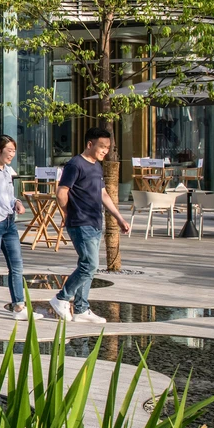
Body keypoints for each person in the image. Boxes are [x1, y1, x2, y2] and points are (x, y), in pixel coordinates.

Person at [48, 127, 130, 323]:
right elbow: (61, 192)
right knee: (90, 264)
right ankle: (61, 298)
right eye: (102, 147)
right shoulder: (75, 164)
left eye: (108, 147)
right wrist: (68, 213)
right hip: (80, 222)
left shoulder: (97, 166)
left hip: (94, 221)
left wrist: (119, 218)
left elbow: (102, 194)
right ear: (90, 144)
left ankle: (82, 309)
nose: (105, 151)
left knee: (86, 266)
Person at [0, 135, 43, 321]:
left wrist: (17, 202)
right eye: (9, 150)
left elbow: (8, 196)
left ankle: (19, 307)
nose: (12, 154)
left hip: (9, 223)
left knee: (17, 266)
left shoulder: (7, 171)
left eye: (14, 150)